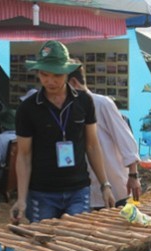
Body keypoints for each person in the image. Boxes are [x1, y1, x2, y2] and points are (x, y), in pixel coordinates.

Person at [10, 40, 115, 224]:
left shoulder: (84, 102)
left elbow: (92, 146)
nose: (50, 81)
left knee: (76, 245)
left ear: (67, 72)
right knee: (43, 248)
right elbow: (24, 156)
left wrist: (105, 185)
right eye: (44, 74)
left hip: (78, 189)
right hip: (42, 192)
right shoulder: (27, 108)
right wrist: (21, 199)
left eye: (56, 75)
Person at [67, 63, 141, 209]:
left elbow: (125, 139)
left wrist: (133, 175)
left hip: (114, 185)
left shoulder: (102, 104)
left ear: (74, 83)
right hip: (85, 191)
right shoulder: (66, 108)